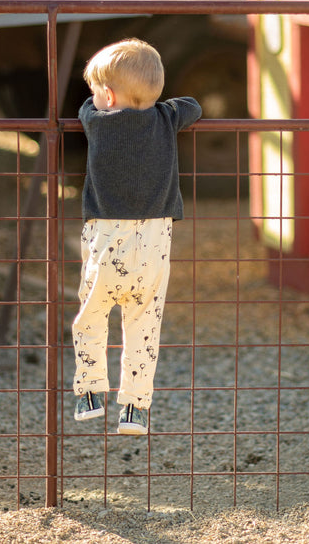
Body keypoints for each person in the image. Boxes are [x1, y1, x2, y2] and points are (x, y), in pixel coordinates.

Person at [72, 38, 201, 435]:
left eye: (96, 90)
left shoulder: (96, 120)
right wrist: (161, 103)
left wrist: (98, 99)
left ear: (107, 95)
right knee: (144, 328)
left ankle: (90, 392)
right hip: (153, 246)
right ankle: (135, 407)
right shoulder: (166, 118)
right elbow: (192, 106)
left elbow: (83, 109)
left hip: (105, 242)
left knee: (90, 320)